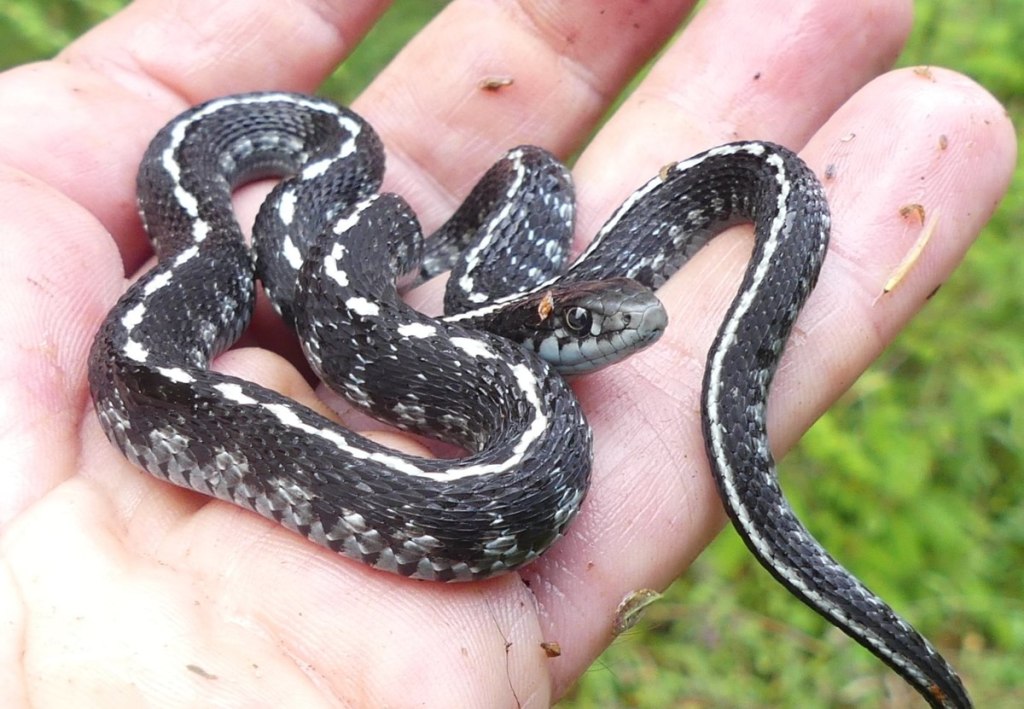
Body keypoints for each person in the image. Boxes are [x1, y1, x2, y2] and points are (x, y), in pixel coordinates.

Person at [0, 0, 1014, 706]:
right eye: (591, 325)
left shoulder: (478, 361)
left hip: (432, 314)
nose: (637, 332)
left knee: (562, 185)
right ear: (543, 326)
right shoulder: (332, 222)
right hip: (229, 343)